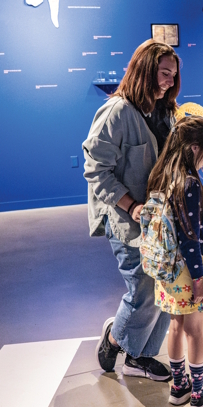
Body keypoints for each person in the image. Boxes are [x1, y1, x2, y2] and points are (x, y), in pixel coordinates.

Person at [84, 40, 179, 381]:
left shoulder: (165, 111)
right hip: (128, 218)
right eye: (163, 73)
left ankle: (140, 355)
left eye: (173, 75)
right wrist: (132, 205)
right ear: (144, 70)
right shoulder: (116, 112)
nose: (169, 81)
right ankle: (116, 338)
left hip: (161, 219)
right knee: (142, 289)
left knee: (164, 286)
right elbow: (96, 169)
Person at [147, 116, 203, 407]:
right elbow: (190, 237)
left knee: (176, 326)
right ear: (195, 148)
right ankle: (198, 394)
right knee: (195, 330)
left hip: (167, 269)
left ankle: (178, 386)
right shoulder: (189, 184)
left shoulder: (162, 175)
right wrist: (198, 279)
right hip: (188, 268)